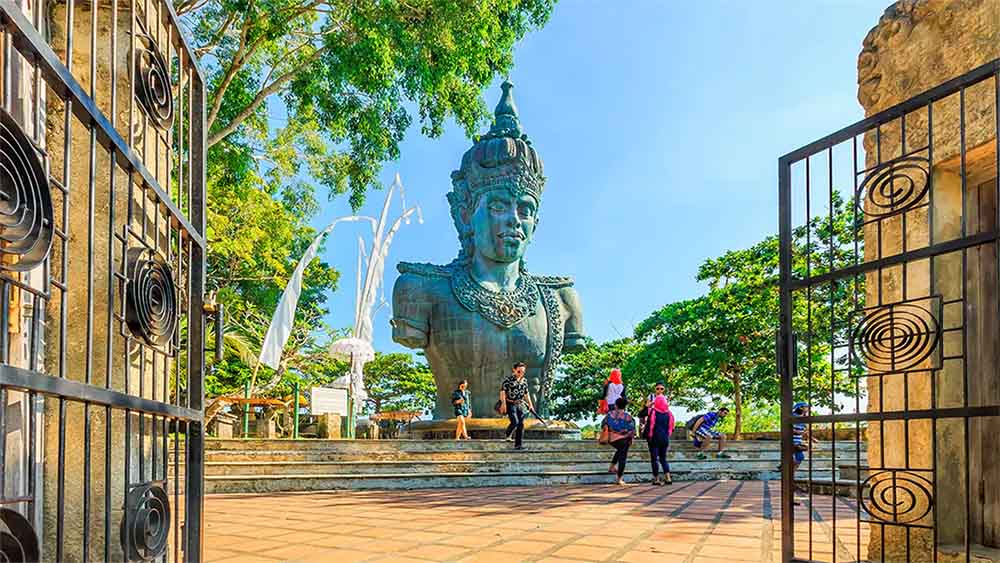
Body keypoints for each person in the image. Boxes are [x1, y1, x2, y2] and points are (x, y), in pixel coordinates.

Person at [601, 397, 636, 486]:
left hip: (611, 439)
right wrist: (629, 437)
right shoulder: (628, 417)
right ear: (625, 406)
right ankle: (619, 478)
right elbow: (632, 430)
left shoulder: (609, 415)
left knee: (620, 450)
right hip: (623, 440)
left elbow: (603, 425)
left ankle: (612, 467)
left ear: (616, 405)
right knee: (623, 455)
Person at [499, 362, 532, 450]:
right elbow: (502, 392)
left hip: (520, 404)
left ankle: (518, 445)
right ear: (514, 370)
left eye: (523, 372)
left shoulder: (524, 381)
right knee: (515, 421)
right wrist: (503, 404)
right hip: (510, 403)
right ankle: (508, 433)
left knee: (521, 424)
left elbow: (526, 393)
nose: (521, 373)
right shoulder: (508, 380)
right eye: (519, 371)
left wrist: (530, 404)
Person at [645, 394, 675, 485]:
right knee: (663, 459)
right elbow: (671, 427)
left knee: (654, 459)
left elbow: (650, 425)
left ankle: (656, 479)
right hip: (665, 439)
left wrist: (649, 436)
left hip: (655, 438)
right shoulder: (669, 414)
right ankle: (668, 478)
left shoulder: (653, 412)